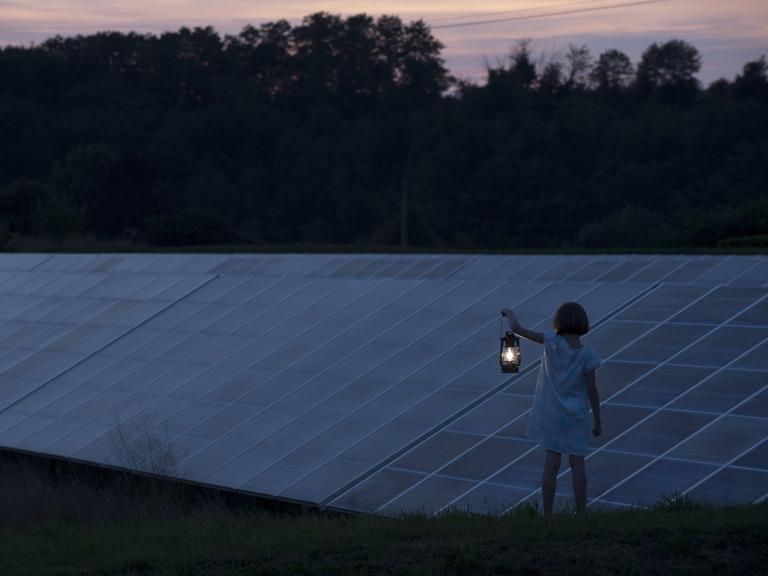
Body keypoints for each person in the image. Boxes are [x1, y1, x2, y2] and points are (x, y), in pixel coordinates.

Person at [501, 302, 602, 517]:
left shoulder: (552, 342)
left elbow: (518, 330)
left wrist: (509, 314)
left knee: (551, 464)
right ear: (583, 323)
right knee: (577, 463)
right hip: (577, 417)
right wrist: (598, 420)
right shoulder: (589, 355)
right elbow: (593, 390)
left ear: (559, 322)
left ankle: (547, 514)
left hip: (553, 415)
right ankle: (581, 514)